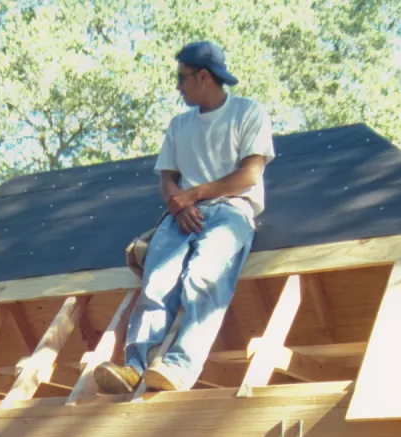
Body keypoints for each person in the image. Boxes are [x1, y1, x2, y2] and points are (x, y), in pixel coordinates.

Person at [94, 41, 275, 394]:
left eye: (182, 77)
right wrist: (178, 205)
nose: (177, 86)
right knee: (158, 283)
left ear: (203, 77)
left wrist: (192, 195)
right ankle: (135, 367)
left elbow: (249, 176)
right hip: (181, 215)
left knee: (204, 278)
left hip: (231, 211)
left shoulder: (248, 113)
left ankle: (178, 368)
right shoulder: (179, 126)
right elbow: (167, 180)